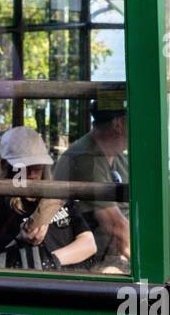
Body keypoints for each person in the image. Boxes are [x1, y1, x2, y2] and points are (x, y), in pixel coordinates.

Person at [0, 126, 96, 271]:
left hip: (72, 277)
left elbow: (88, 243)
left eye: (37, 167)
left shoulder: (58, 197)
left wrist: (50, 260)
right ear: (8, 166)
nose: (31, 173)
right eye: (23, 166)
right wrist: (19, 241)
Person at [53, 92, 129, 271]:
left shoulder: (118, 157)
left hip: (113, 251)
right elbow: (116, 228)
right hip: (92, 261)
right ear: (118, 124)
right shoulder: (86, 159)